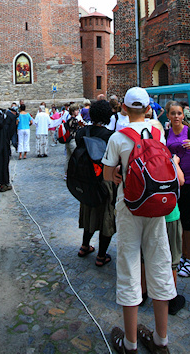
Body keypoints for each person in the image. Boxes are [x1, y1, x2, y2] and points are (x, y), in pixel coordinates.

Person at [102, 87, 176, 354]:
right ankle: (160, 340)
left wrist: (118, 174)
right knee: (159, 264)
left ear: (123, 108)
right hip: (157, 207)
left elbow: (108, 175)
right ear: (148, 108)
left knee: (130, 266)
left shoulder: (118, 138)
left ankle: (130, 344)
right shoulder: (158, 130)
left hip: (129, 207)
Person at [165, 101, 190, 278]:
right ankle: (180, 255)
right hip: (174, 183)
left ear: (183, 115)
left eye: (179, 113)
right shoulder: (165, 134)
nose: (176, 116)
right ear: (168, 115)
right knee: (178, 221)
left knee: (188, 223)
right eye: (173, 113)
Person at [76, 100, 116, 266]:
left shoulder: (81, 132)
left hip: (85, 181)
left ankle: (85, 246)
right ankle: (101, 255)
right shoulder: (109, 136)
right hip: (103, 181)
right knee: (106, 216)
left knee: (89, 212)